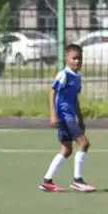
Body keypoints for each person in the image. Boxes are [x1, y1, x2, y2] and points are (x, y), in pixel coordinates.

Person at [39, 44, 95, 193]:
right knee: (84, 144)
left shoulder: (77, 77)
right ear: (67, 59)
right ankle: (78, 180)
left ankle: (47, 181)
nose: (77, 61)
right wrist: (53, 114)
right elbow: (52, 92)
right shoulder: (64, 74)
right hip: (64, 116)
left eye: (80, 58)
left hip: (70, 116)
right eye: (74, 58)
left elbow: (74, 99)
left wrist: (81, 118)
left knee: (67, 149)